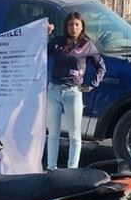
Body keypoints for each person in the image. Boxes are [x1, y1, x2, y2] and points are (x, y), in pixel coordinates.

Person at [45, 12, 106, 171]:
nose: (73, 28)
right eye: (70, 24)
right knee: (53, 133)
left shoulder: (87, 45)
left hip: (73, 92)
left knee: (74, 135)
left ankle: (72, 169)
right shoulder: (57, 42)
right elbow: (40, 53)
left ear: (82, 26)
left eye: (77, 24)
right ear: (66, 26)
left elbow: (101, 67)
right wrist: (46, 35)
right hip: (54, 91)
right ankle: (51, 168)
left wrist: (92, 84)